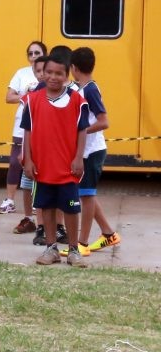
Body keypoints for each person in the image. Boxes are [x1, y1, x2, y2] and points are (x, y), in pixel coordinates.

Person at [20, 53, 89, 267]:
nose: (53, 77)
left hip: (68, 168)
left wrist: (79, 157)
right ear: (42, 73)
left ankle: (74, 250)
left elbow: (82, 130)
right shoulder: (32, 100)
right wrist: (28, 160)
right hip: (42, 167)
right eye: (48, 72)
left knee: (70, 207)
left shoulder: (77, 99)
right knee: (46, 207)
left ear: (66, 75)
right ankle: (51, 248)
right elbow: (27, 132)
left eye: (58, 73)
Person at [60, 46, 121, 256]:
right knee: (87, 195)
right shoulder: (80, 88)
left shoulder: (91, 89)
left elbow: (104, 122)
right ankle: (108, 233)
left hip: (92, 152)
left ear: (74, 68)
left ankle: (82, 243)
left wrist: (81, 131)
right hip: (85, 151)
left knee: (85, 197)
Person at [0, 41, 46, 215]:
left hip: (41, 128)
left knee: (38, 164)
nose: (33, 57)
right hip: (21, 125)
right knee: (15, 162)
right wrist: (27, 96)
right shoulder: (21, 73)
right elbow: (9, 97)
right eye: (30, 53)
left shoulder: (49, 75)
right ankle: (9, 200)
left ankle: (36, 200)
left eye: (37, 53)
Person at [14, 54, 47, 236]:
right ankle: (29, 218)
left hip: (46, 152)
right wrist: (23, 152)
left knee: (44, 186)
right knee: (27, 184)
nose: (42, 74)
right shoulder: (31, 96)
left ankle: (51, 224)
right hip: (30, 149)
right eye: (38, 71)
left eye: (45, 70)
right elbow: (27, 128)